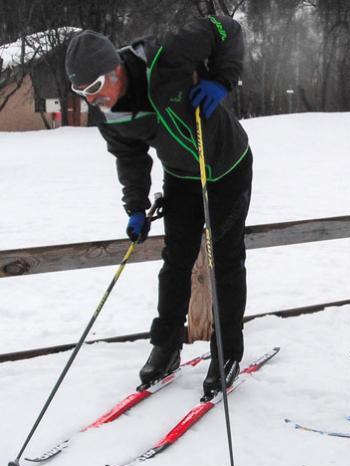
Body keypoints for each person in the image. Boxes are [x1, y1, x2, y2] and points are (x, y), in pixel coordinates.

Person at [65, 17, 252, 398]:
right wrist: (135, 207)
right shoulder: (112, 119)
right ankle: (166, 346)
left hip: (227, 165)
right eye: (81, 92)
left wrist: (221, 80)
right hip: (182, 175)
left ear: (115, 68)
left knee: (225, 260)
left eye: (96, 87)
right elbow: (130, 159)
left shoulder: (166, 53)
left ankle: (227, 352)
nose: (93, 99)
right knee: (176, 261)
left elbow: (227, 30)